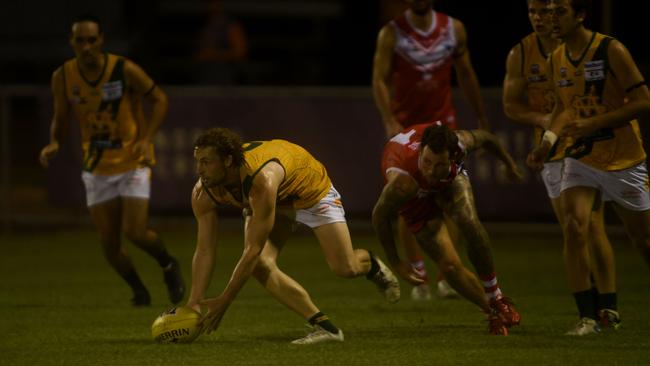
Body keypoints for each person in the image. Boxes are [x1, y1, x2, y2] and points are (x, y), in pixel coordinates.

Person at [188, 127, 400, 345]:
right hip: (274, 199)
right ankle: (326, 328)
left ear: (228, 161)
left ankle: (370, 264)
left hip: (310, 192)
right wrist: (194, 302)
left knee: (345, 268)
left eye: (206, 162)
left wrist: (226, 299)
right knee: (260, 265)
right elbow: (204, 249)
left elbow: (252, 249)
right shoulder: (203, 192)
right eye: (198, 161)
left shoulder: (261, 180)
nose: (199, 170)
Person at [38, 15, 185, 306]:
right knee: (109, 243)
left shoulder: (123, 69)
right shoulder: (63, 76)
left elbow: (160, 100)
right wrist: (55, 141)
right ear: (73, 43)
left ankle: (169, 265)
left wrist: (147, 139)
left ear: (101, 40)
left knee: (136, 232)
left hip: (133, 159)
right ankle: (139, 291)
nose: (87, 46)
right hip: (97, 165)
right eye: (81, 41)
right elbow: (62, 116)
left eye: (92, 40)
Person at [528, 0, 650, 335]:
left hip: (624, 159)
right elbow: (566, 110)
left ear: (580, 15)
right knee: (574, 225)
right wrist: (546, 143)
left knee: (643, 241)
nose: (551, 19)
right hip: (581, 155)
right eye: (547, 12)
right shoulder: (556, 59)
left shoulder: (612, 49)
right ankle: (591, 316)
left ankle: (606, 309)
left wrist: (594, 122)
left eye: (559, 12)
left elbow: (643, 101)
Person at [503, 0, 618, 332]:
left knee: (589, 225)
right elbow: (511, 104)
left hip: (589, 144)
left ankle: (606, 309)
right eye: (533, 12)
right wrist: (544, 119)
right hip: (551, 147)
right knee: (573, 228)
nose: (541, 18)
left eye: (547, 11)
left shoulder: (589, 48)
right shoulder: (521, 54)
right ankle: (592, 307)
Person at [372, 0, 491, 300]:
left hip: (443, 130)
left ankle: (446, 275)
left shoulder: (454, 29)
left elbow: (466, 74)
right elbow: (379, 79)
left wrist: (481, 116)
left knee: (457, 205)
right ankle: (418, 274)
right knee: (406, 202)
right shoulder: (392, 33)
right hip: (407, 130)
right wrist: (388, 118)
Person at [372, 122, 522, 335]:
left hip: (448, 183)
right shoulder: (402, 181)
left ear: (453, 157)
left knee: (468, 220)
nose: (432, 171)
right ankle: (491, 313)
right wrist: (396, 262)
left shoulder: (460, 143)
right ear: (421, 151)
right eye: (427, 162)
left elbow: (487, 138)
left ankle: (496, 296)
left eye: (440, 164)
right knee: (450, 266)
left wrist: (509, 163)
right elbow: (379, 216)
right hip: (415, 198)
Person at [192, 0, 248, 84]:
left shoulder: (230, 26)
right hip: (204, 77)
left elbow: (240, 52)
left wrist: (213, 55)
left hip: (224, 80)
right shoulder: (205, 25)